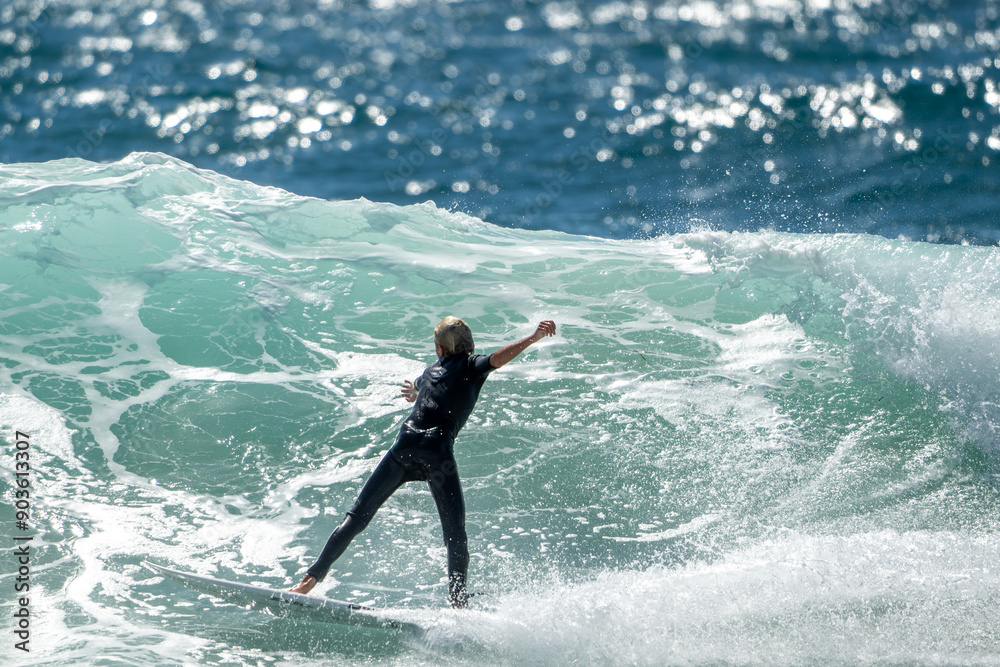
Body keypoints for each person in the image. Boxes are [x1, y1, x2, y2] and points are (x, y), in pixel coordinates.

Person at [290, 317, 557, 607]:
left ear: (440, 349)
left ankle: (308, 581)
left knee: (357, 516)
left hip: (404, 446)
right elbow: (496, 359)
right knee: (455, 534)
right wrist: (532, 337)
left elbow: (428, 388)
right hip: (437, 453)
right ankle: (457, 601)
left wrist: (417, 394)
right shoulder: (471, 366)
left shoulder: (429, 371)